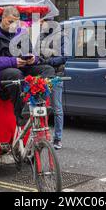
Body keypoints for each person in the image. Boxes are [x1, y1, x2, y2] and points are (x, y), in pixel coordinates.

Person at [0, 6, 55, 126]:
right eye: (10, 22)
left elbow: (33, 53)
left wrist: (33, 59)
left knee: (48, 70)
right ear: (3, 18)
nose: (13, 26)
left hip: (22, 68)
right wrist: (13, 61)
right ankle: (20, 115)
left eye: (16, 22)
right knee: (14, 73)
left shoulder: (22, 34)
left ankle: (40, 101)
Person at [39, 18, 68, 150]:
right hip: (43, 75)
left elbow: (64, 57)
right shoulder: (41, 36)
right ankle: (42, 136)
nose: (41, 24)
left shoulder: (61, 36)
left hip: (56, 75)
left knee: (57, 108)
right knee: (41, 107)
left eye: (43, 22)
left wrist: (47, 62)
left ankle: (58, 138)